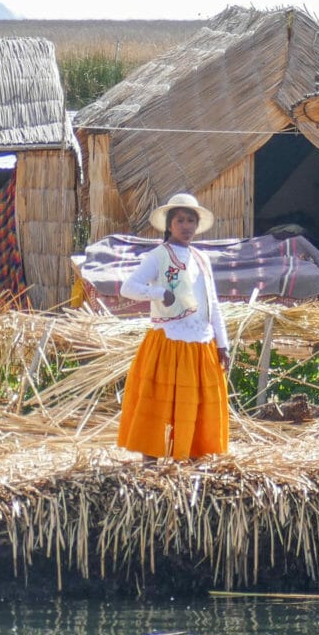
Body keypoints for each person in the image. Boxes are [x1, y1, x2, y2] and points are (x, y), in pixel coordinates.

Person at [116, 193, 231, 460]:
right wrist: (158, 294)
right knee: (162, 400)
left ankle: (192, 453)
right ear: (170, 225)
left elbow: (212, 302)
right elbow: (128, 288)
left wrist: (222, 343)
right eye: (181, 220)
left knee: (195, 404)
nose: (187, 226)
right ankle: (153, 457)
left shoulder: (201, 258)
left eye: (191, 220)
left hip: (201, 343)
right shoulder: (158, 256)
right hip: (170, 342)